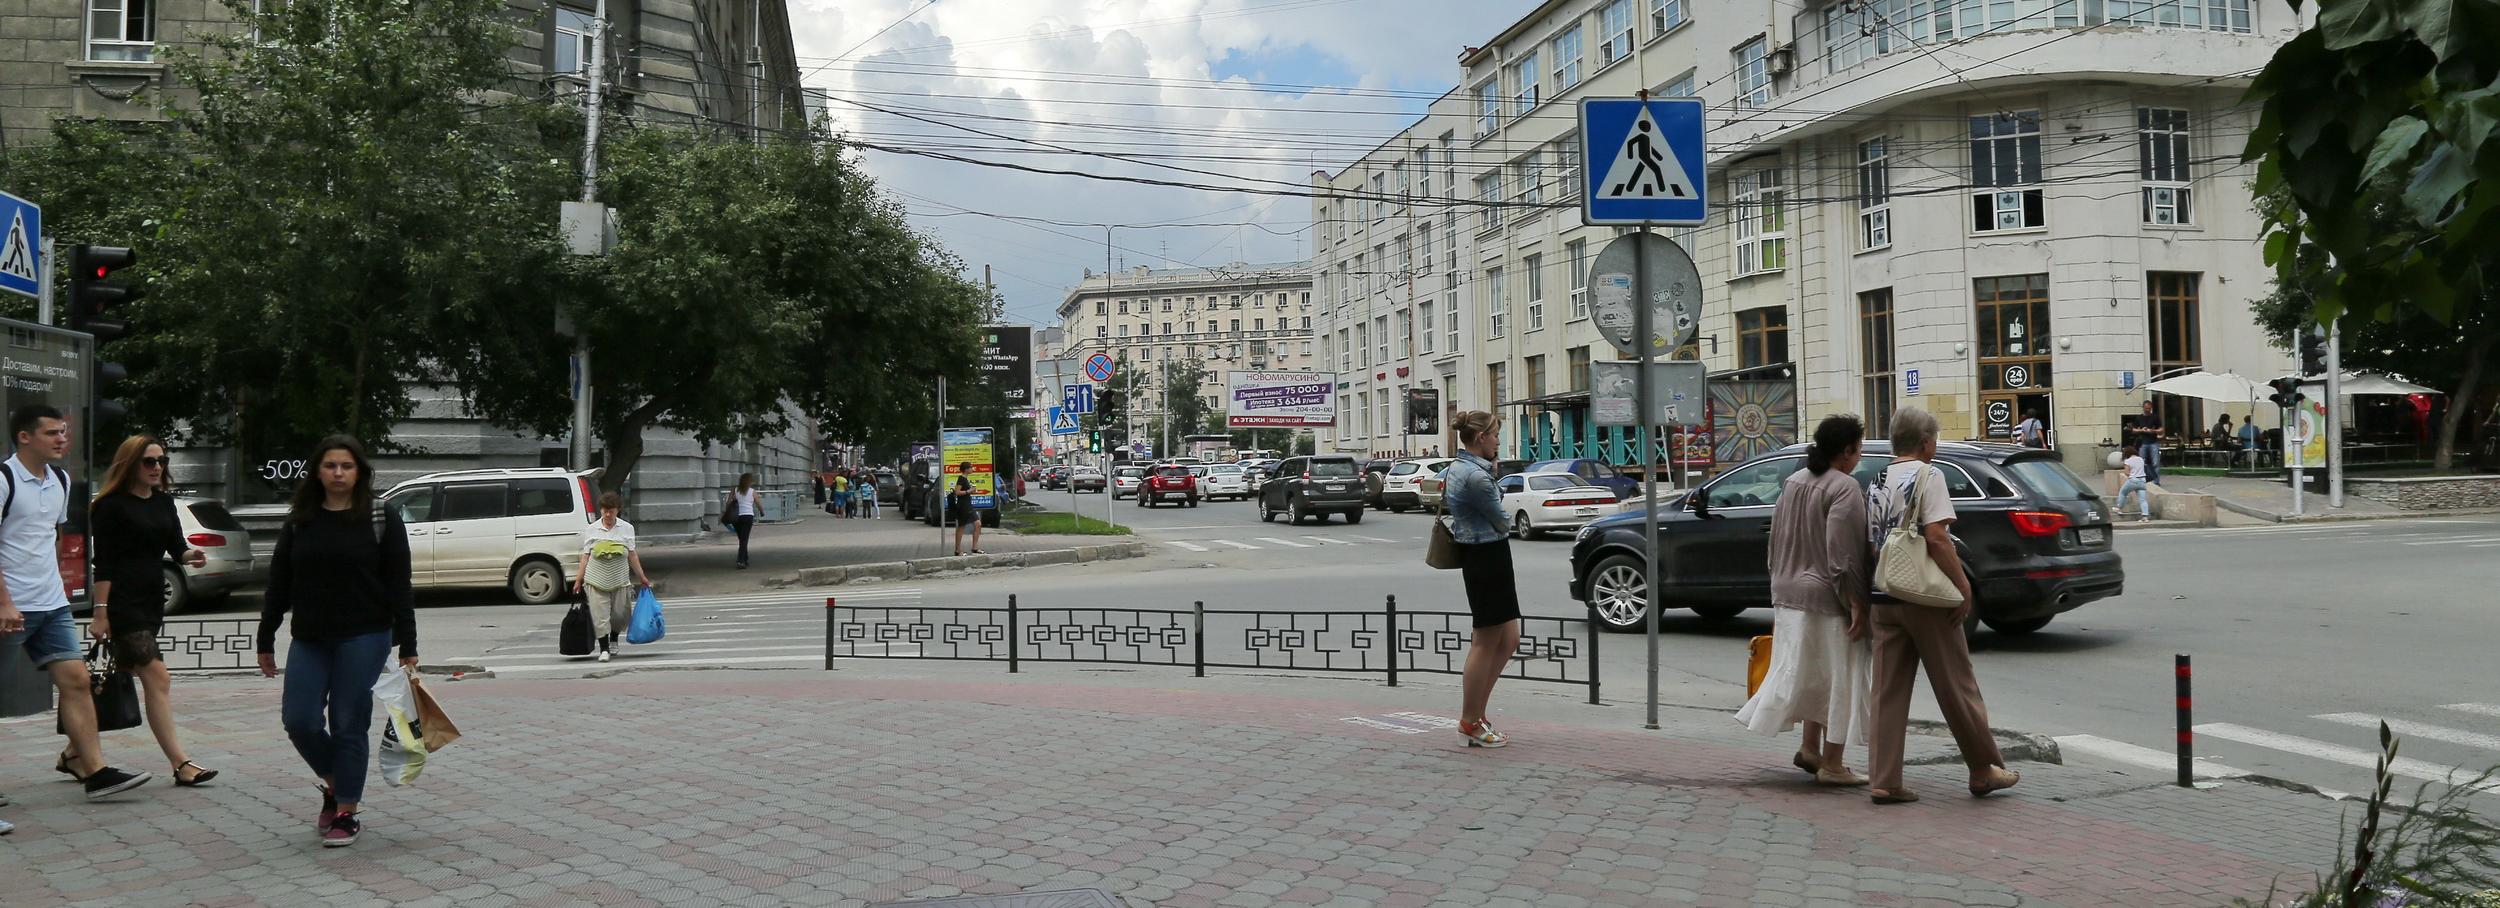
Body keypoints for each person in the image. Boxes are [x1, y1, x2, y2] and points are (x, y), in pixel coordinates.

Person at [256, 435, 419, 847]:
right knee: (300, 720)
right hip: (310, 636)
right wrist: (265, 637)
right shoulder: (301, 519)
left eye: (347, 466)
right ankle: (336, 782)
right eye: (330, 466)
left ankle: (346, 810)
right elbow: (280, 581)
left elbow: (400, 583)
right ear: (317, 471)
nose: (339, 473)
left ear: (359, 471)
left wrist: (408, 643)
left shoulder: (381, 516)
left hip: (365, 634)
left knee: (348, 722)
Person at [1863, 408, 2021, 804]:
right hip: (1925, 598)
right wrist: (1963, 585)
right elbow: (1936, 537)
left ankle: (1884, 779)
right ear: (1926, 442)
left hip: (1884, 593)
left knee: (1886, 689)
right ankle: (1984, 769)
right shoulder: (1929, 475)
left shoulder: (1876, 479)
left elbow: (1872, 540)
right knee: (1956, 684)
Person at [0, 406, 152, 810]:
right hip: (11, 606)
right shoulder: (4, 479)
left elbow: (52, 534)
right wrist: (4, 600)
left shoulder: (61, 480)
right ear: (24, 437)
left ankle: (95, 772)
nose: (61, 439)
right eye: (52, 433)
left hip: (51, 605)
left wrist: (56, 585)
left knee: (77, 681)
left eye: (63, 432)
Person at [1735, 415, 1873, 786]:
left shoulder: (1794, 481)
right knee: (1838, 676)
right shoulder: (1845, 488)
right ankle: (1833, 763)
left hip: (1787, 591)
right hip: (1827, 597)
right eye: (1858, 450)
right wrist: (1858, 604)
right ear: (1845, 452)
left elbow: (1775, 539)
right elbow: (1843, 555)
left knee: (1811, 673)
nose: (1859, 457)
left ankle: (1809, 747)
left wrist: (1778, 580)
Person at [77, 435, 217, 789]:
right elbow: (103, 564)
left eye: (162, 461)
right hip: (121, 602)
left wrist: (190, 557)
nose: (157, 468)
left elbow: (175, 546)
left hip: (150, 598)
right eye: (149, 462)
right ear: (130, 464)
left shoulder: (163, 502)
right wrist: (101, 612)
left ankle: (72, 753)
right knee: (158, 676)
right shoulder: (110, 506)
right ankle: (181, 763)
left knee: (110, 679)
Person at [1442, 410, 1521, 749]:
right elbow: (1503, 521)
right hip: (1485, 556)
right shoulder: (1475, 476)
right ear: (1479, 439)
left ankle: (1478, 713)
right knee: (1486, 641)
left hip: (1489, 555)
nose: (1498, 441)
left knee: (1508, 639)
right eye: (1495, 435)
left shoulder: (1467, 469)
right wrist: (1494, 481)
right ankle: (1469, 721)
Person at [572, 491, 650, 663]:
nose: (608, 514)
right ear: (601, 510)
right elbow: (585, 556)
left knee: (620, 615)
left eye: (611, 511)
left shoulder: (626, 528)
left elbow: (632, 555)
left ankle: (614, 637)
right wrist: (579, 579)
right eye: (605, 510)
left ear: (618, 510)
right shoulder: (591, 529)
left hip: (620, 580)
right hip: (596, 580)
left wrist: (642, 577)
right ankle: (604, 648)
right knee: (600, 616)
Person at [726, 473, 759, 569]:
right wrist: (762, 511)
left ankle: (745, 559)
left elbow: (728, 503)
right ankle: (740, 561)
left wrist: (728, 513)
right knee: (744, 539)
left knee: (742, 539)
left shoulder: (735, 490)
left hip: (737, 517)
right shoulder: (752, 491)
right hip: (748, 516)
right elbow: (758, 502)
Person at [950, 476, 984, 555]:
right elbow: (957, 492)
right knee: (962, 526)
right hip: (963, 506)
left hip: (969, 505)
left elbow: (966, 492)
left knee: (978, 524)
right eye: (970, 467)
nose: (972, 469)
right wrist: (969, 491)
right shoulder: (961, 478)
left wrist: (973, 491)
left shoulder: (965, 479)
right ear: (966, 469)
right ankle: (957, 550)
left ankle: (974, 548)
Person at [2133, 400, 2165, 485]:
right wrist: (2141, 430)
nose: (2148, 410)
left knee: (2155, 463)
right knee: (2141, 462)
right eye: (2146, 408)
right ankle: (2142, 481)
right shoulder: (2139, 418)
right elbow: (2134, 429)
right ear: (2143, 408)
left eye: (2149, 408)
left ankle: (2156, 481)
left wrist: (2153, 431)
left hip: (2153, 442)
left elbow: (2161, 429)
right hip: (2142, 442)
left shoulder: (2155, 417)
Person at [2117, 449, 2151, 522]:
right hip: (2142, 481)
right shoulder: (2141, 459)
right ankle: (2145, 517)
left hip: (2133, 480)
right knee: (2143, 500)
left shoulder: (2128, 461)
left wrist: (2132, 475)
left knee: (2123, 492)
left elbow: (2126, 472)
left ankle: (2119, 508)